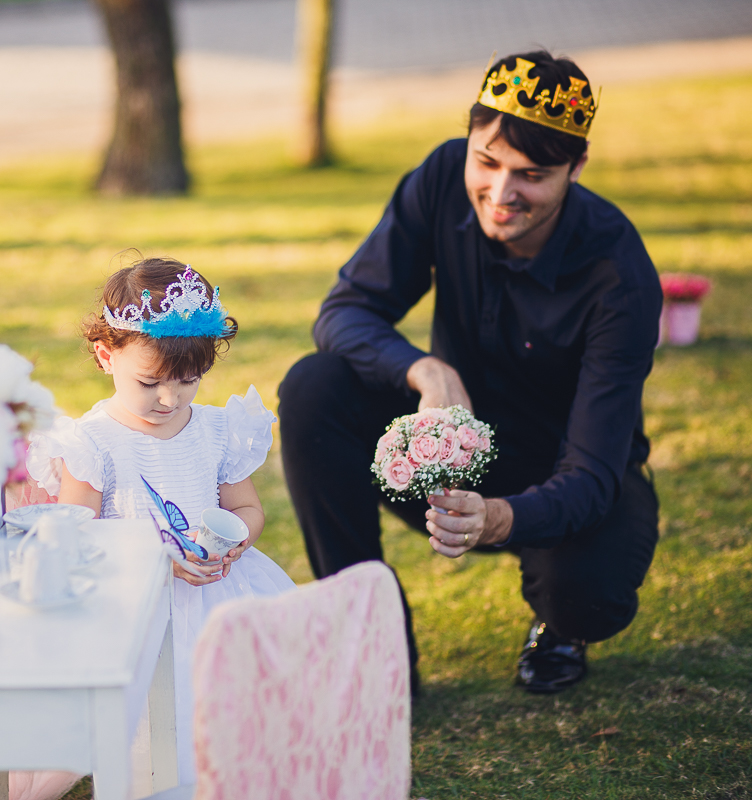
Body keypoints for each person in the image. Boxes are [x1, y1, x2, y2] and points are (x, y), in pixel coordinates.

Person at [277, 50, 662, 695]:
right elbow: (346, 311)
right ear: (470, 144)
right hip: (449, 445)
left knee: (586, 596)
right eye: (486, 161)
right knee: (314, 386)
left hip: (569, 469)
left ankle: (559, 626)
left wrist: (497, 517)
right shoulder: (437, 180)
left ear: (577, 167)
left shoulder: (619, 276)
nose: (501, 192)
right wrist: (427, 371)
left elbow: (594, 473)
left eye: (532, 175)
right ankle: (368, 635)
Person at [27, 256, 296, 785]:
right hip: (132, 603)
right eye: (150, 382)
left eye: (189, 382)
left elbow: (246, 509)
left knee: (240, 706)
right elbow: (75, 533)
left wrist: (236, 544)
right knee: (129, 715)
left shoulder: (217, 431)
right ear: (107, 357)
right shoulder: (94, 442)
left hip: (215, 593)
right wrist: (154, 556)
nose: (169, 400)